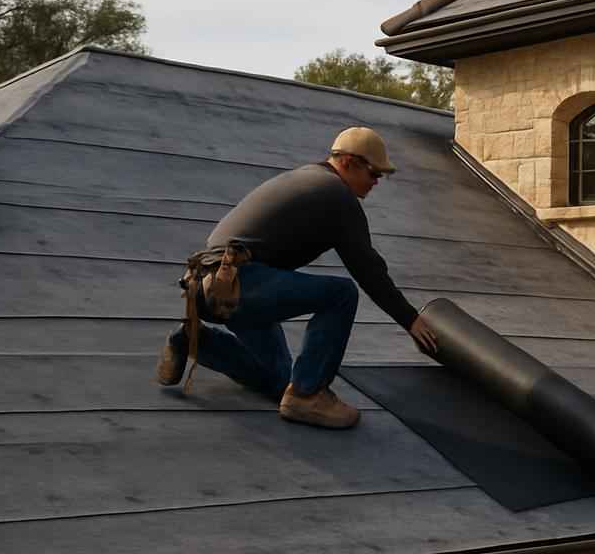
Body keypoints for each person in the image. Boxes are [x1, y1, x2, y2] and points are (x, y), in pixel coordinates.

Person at [156, 126, 439, 429]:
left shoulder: (307, 178)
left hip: (207, 287)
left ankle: (192, 341)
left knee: (279, 380)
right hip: (238, 283)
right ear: (348, 162)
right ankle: (308, 395)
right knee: (341, 294)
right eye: (374, 173)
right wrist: (410, 319)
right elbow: (368, 270)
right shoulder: (337, 196)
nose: (376, 182)